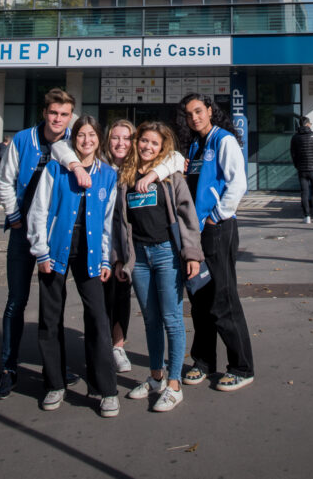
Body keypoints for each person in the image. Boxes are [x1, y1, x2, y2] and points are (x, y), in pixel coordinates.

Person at [55, 117, 185, 375]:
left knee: (122, 297)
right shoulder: (98, 164)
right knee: (99, 299)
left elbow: (176, 158)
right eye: (115, 137)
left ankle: (118, 346)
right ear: (107, 140)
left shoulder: (140, 166)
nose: (121, 143)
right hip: (101, 244)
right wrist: (74, 165)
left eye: (127, 138)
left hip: (132, 248)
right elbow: (60, 147)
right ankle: (99, 351)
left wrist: (154, 174)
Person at [28, 114, 119, 417]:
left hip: (91, 254)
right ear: (73, 138)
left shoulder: (108, 175)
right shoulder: (56, 169)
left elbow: (107, 223)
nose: (87, 140)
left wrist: (106, 257)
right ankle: (55, 383)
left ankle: (105, 389)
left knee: (97, 319)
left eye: (92, 135)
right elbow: (40, 210)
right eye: (81, 135)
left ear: (99, 139)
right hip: (55, 252)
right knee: (50, 318)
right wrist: (40, 251)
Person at [0, 87, 78, 401]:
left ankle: (52, 368)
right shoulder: (22, 139)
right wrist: (14, 216)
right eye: (53, 113)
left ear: (71, 116)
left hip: (54, 236)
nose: (58, 119)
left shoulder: (73, 141)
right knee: (16, 301)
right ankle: (8, 367)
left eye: (64, 114)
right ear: (45, 112)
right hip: (21, 232)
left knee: (52, 306)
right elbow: (5, 179)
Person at [114, 121, 203, 412]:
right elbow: (118, 222)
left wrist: (191, 254)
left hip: (166, 254)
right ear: (136, 142)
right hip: (138, 258)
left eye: (155, 143)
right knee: (151, 320)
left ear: (162, 147)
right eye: (144, 141)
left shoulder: (170, 176)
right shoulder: (124, 176)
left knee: (172, 319)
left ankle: (175, 385)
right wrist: (119, 258)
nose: (148, 147)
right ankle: (156, 378)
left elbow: (188, 215)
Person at [176, 93, 254, 393]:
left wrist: (216, 216)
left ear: (210, 111)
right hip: (196, 232)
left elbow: (238, 183)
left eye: (199, 111)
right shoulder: (195, 145)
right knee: (199, 299)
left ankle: (241, 367)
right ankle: (204, 361)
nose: (194, 117)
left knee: (223, 298)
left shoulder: (224, 140)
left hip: (217, 228)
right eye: (189, 114)